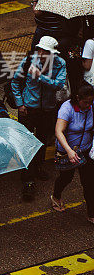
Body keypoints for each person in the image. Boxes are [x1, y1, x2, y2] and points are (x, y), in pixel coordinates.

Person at [11, 36, 67, 201]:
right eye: (40, 50)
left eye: (45, 52)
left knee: (42, 139)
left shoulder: (60, 64)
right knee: (27, 142)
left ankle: (38, 166)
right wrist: (20, 104)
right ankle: (28, 179)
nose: (41, 54)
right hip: (29, 108)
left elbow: (59, 84)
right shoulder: (29, 61)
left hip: (48, 109)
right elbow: (15, 82)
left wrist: (40, 77)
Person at [51, 82, 94, 223]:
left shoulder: (91, 107)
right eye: (85, 102)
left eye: (91, 102)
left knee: (89, 182)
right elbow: (58, 131)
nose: (88, 105)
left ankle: (91, 214)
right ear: (77, 98)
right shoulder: (67, 108)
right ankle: (56, 196)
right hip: (67, 151)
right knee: (66, 178)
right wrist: (69, 151)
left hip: (85, 150)